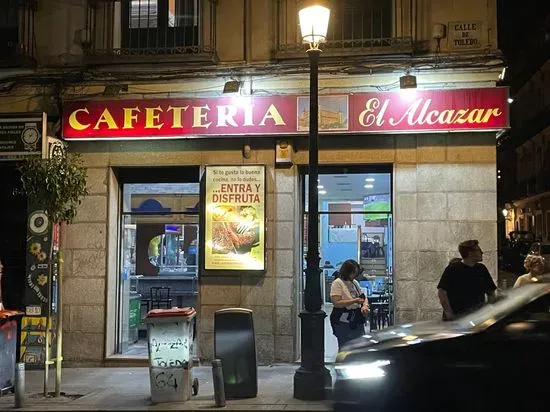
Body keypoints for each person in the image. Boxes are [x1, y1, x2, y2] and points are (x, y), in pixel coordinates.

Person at [437, 240, 497, 321]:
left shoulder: (481, 269)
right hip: (457, 317)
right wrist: (449, 313)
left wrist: (488, 312)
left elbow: (490, 292)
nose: (482, 253)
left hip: (476, 317)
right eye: (479, 250)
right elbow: (442, 292)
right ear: (470, 253)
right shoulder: (453, 269)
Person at [329, 259, 370, 350]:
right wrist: (354, 301)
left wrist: (365, 305)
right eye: (353, 272)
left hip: (356, 318)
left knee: (359, 345)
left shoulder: (354, 282)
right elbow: (336, 302)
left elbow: (363, 297)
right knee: (345, 345)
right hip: (343, 319)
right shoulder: (337, 283)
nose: (355, 275)